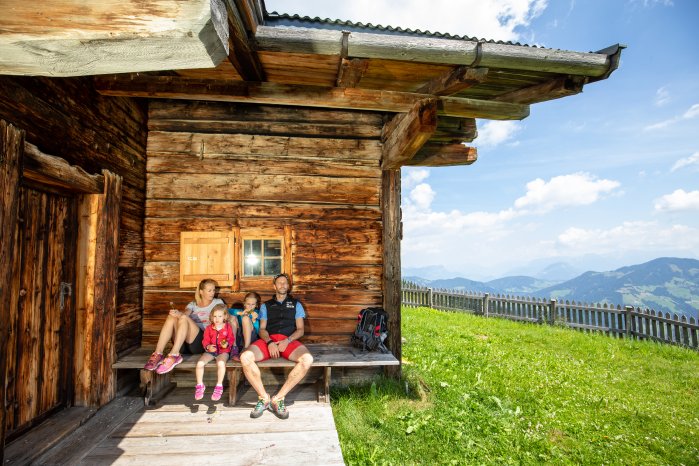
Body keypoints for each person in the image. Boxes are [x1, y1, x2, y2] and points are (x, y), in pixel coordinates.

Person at [240, 273, 313, 420]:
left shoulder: (296, 304)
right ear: (274, 286)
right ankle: (263, 397)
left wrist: (288, 339)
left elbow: (300, 330)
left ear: (288, 286)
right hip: (270, 341)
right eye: (279, 283)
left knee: (307, 360)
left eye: (285, 283)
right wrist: (269, 342)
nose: (282, 285)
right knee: (245, 357)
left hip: (288, 341)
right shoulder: (266, 306)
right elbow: (262, 329)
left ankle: (278, 398)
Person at [143, 278, 228, 374]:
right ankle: (158, 353)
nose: (212, 293)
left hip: (201, 342)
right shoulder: (193, 304)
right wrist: (177, 313)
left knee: (183, 317)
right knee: (172, 317)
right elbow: (186, 314)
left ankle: (174, 354)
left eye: (214, 290)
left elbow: (224, 316)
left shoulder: (217, 302)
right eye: (209, 290)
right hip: (183, 345)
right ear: (201, 292)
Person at [195, 304, 236, 401]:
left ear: (225, 317)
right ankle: (200, 385)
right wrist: (208, 347)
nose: (217, 319)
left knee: (221, 363)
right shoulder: (209, 328)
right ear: (211, 316)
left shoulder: (227, 327)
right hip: (211, 351)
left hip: (223, 351)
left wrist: (227, 344)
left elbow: (231, 338)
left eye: (220, 316)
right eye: (215, 316)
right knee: (200, 363)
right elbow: (205, 341)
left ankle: (219, 386)